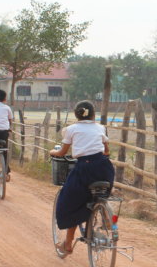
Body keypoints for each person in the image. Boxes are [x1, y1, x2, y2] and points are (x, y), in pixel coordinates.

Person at [48, 100, 114, 256]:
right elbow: (106, 150)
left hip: (84, 168)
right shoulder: (100, 127)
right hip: (104, 168)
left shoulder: (71, 129)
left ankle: (68, 244)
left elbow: (62, 152)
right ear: (93, 114)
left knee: (71, 203)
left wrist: (52, 152)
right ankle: (104, 210)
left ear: (76, 115)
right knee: (100, 193)